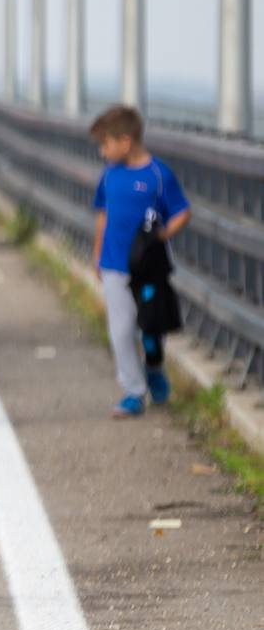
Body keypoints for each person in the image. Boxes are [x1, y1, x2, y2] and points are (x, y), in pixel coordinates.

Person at [88, 105, 191, 416]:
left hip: (149, 269)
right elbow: (102, 216)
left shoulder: (158, 175)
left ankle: (155, 368)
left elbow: (181, 211)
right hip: (114, 266)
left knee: (150, 327)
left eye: (105, 144)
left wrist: (162, 236)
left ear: (126, 141)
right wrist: (97, 253)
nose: (102, 151)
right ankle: (134, 390)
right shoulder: (108, 176)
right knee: (120, 330)